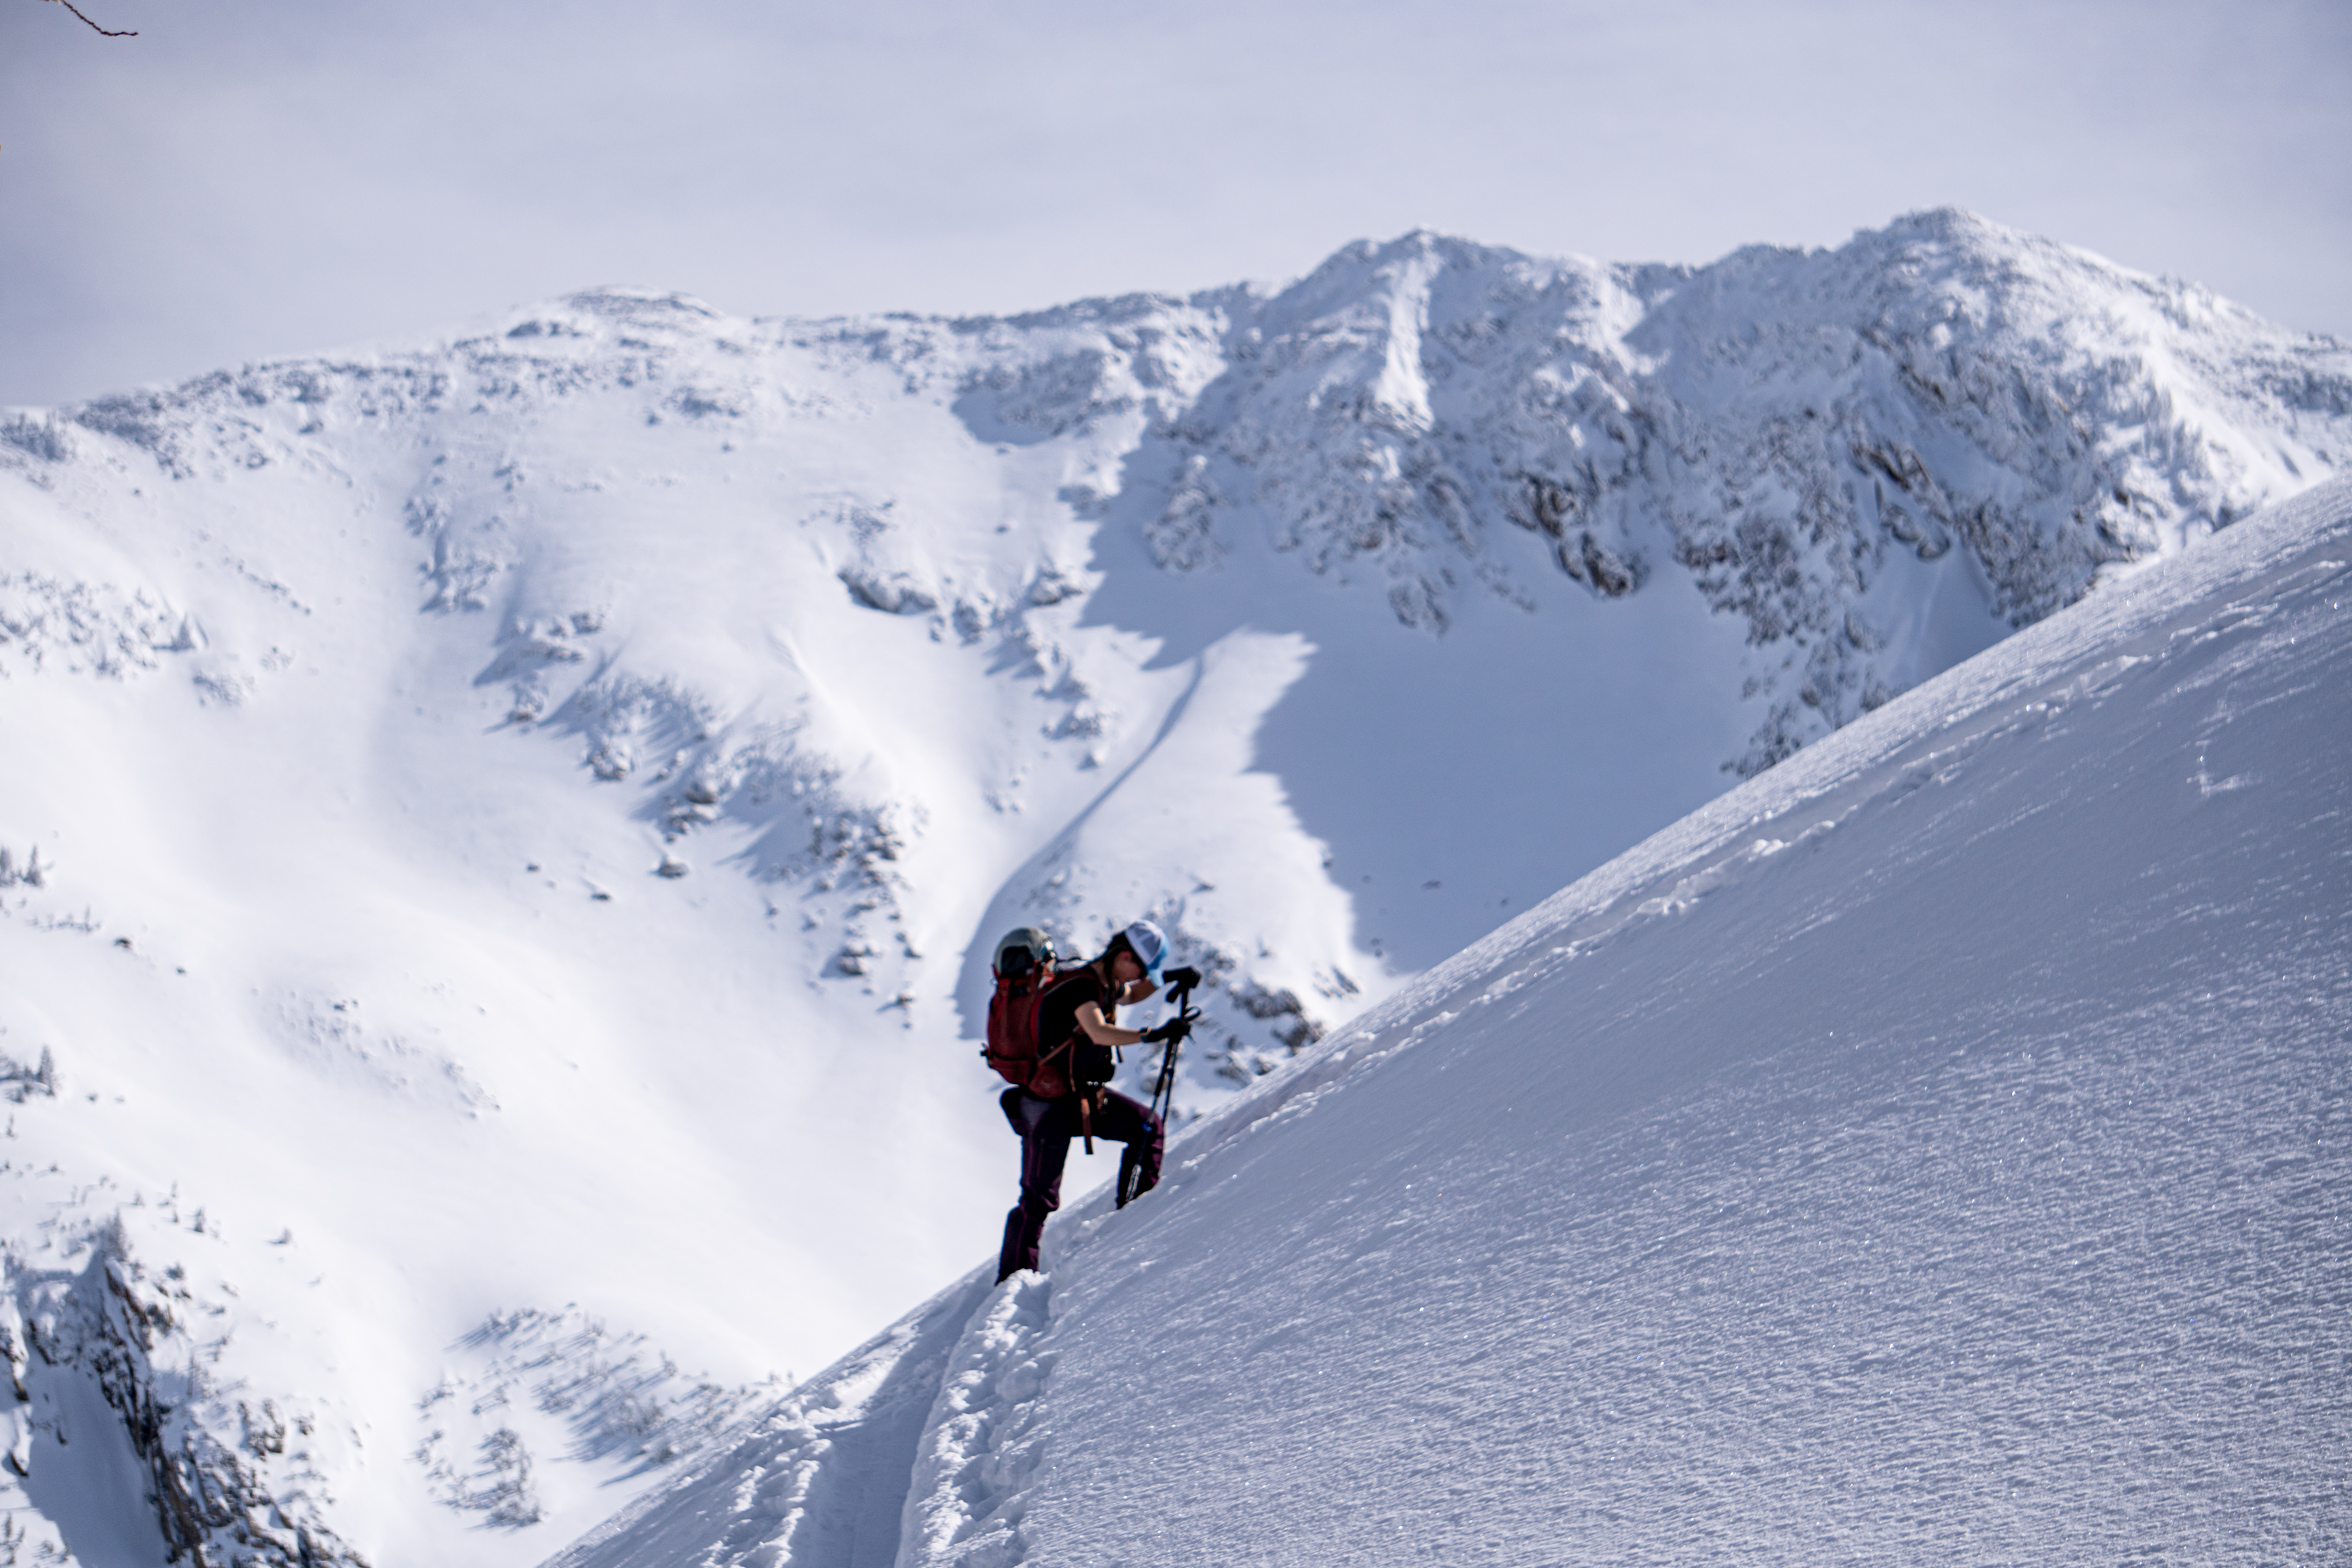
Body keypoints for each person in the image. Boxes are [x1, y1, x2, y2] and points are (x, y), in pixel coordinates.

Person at [996, 918, 1179, 1283]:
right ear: (1125, 957)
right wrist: (1153, 1035)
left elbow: (1132, 995)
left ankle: (1134, 1222)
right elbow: (1098, 1031)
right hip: (1047, 1105)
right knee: (1037, 1200)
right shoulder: (1081, 987)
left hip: (1076, 1098)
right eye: (1141, 970)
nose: (1139, 979)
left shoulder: (1102, 982)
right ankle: (1011, 1284)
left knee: (1146, 1128)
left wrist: (1173, 977)